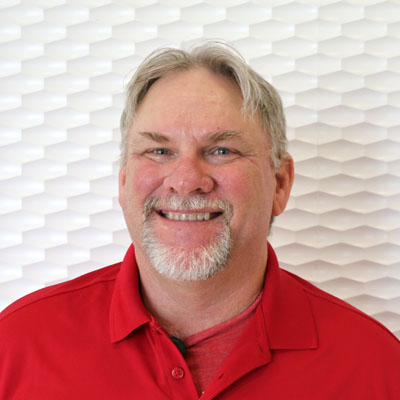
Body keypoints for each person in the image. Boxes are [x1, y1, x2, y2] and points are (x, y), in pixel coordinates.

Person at [0, 42, 399, 400]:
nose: (187, 181)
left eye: (222, 150)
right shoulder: (15, 347)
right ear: (123, 182)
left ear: (280, 183)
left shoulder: (378, 368)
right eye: (158, 151)